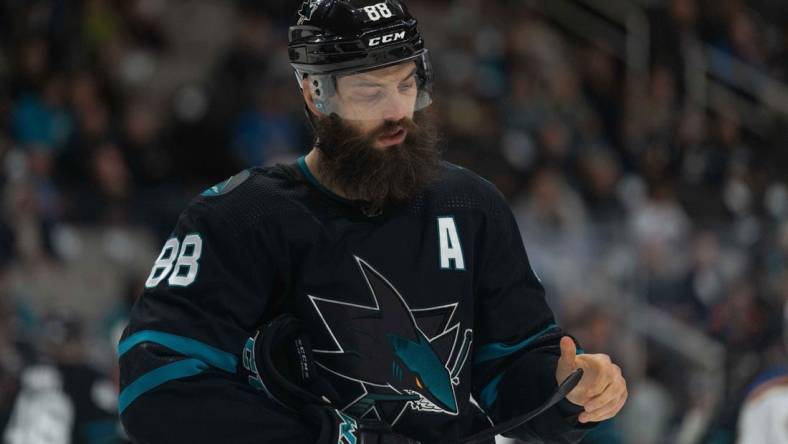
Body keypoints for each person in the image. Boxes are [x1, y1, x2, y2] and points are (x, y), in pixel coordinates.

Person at [118, 1, 627, 443]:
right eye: (369, 92)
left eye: (405, 85)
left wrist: (568, 388)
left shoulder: (471, 207)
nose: (395, 112)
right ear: (316, 96)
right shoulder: (239, 217)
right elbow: (155, 388)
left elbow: (511, 372)